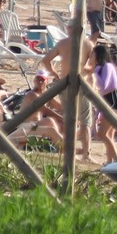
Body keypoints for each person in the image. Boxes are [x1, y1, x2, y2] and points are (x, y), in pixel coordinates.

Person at [39, 29, 94, 162]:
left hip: (65, 84)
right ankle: (86, 154)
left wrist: (54, 73)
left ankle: (70, 153)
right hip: (81, 84)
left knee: (70, 119)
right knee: (85, 121)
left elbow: (46, 60)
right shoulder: (87, 44)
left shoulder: (62, 43)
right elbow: (92, 66)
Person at [89, 43, 117, 164]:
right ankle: (110, 161)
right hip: (107, 101)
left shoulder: (107, 66)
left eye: (93, 54)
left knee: (102, 134)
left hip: (114, 101)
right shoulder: (100, 68)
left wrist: (93, 74)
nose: (91, 56)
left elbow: (103, 85)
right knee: (108, 134)